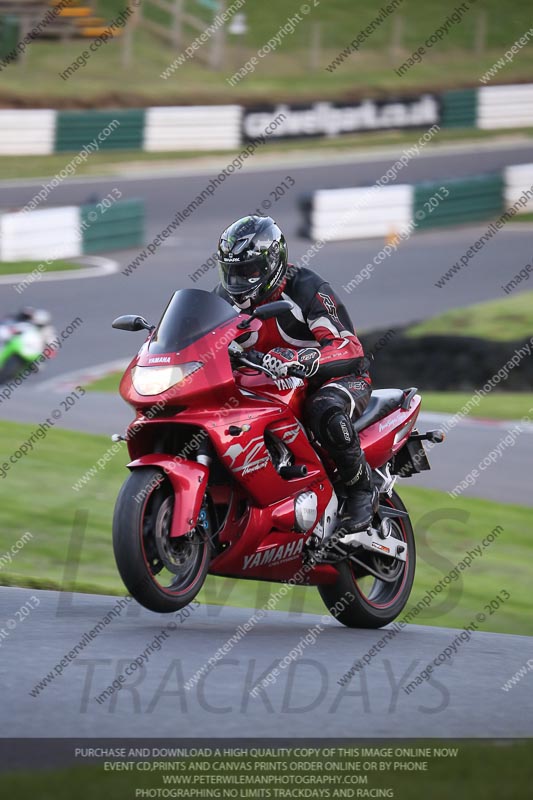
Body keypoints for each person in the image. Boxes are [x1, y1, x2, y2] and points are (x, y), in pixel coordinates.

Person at [214, 214, 378, 537]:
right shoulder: (224, 299)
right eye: (232, 271)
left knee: (323, 408)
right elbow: (204, 340)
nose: (239, 281)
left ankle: (362, 490)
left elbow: (349, 347)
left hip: (336, 380)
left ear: (272, 264)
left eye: (248, 271)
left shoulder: (306, 288)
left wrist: (304, 358)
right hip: (273, 387)